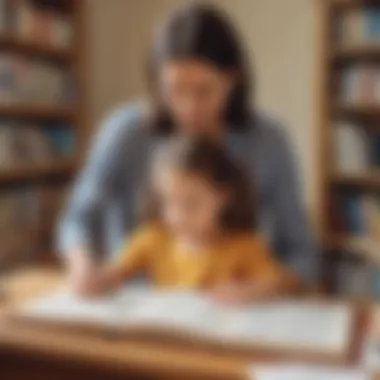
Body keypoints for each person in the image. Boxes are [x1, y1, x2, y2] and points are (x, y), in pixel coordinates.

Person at [58, 4, 317, 296]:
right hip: (133, 307)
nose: (189, 108)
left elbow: (302, 255)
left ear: (233, 79)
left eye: (204, 91)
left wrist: (266, 287)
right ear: (157, 82)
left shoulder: (269, 141)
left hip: (231, 310)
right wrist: (82, 265)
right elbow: (78, 219)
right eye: (175, 91)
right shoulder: (125, 132)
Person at [80, 137, 297, 303]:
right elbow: (114, 273)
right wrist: (96, 278)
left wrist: (253, 291)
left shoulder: (245, 247)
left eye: (191, 203)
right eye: (167, 201)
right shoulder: (151, 239)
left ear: (222, 198)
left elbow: (282, 283)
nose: (176, 215)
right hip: (165, 345)